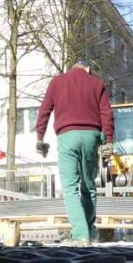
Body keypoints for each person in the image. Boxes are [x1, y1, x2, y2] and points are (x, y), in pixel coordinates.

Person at [35, 60, 114, 246]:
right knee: (89, 187)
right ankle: (89, 232)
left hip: (67, 136)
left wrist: (40, 136)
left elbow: (44, 110)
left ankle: (80, 235)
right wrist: (108, 140)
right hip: (91, 136)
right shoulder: (96, 83)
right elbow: (106, 113)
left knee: (70, 188)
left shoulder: (57, 82)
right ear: (88, 69)